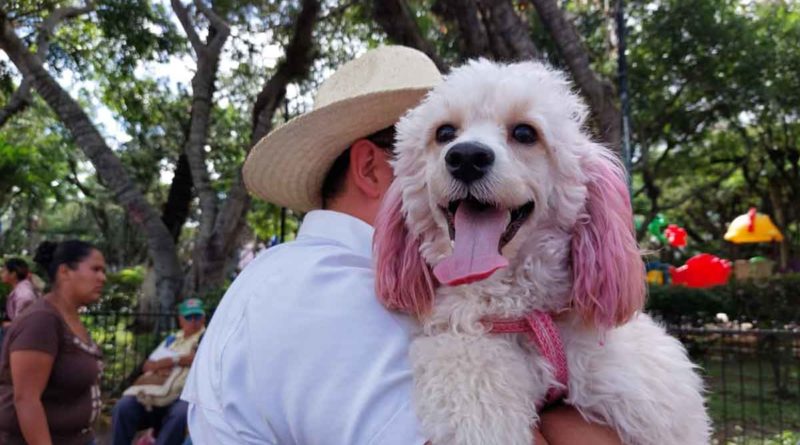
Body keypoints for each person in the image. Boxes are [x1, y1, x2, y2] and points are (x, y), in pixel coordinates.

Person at [182, 45, 623, 445]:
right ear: (373, 168)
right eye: (444, 134)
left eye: (519, 134)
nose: (470, 148)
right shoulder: (334, 294)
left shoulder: (280, 277)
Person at [0, 240, 106, 445]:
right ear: (65, 271)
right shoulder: (42, 321)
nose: (102, 277)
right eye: (95, 269)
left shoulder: (69, 317)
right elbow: (26, 400)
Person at [112, 298, 206, 445]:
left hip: (182, 394)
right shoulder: (172, 339)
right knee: (124, 406)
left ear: (204, 317)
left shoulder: (205, 337)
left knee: (180, 413)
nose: (193, 321)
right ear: (180, 319)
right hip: (156, 390)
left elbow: (198, 359)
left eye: (197, 316)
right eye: (188, 317)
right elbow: (147, 366)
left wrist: (169, 361)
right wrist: (163, 365)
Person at [2, 258, 39, 324]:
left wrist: (5, 325)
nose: (1, 273)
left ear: (13, 274)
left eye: (4, 271)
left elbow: (22, 324)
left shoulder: (23, 296)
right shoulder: (22, 288)